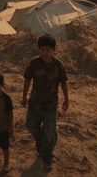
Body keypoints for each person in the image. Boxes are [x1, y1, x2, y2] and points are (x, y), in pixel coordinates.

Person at [22, 34, 69, 172]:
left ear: (53, 50)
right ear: (39, 50)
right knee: (31, 126)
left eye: (48, 50)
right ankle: (42, 141)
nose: (45, 53)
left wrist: (67, 99)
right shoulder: (34, 63)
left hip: (51, 105)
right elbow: (27, 79)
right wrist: (24, 96)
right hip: (35, 103)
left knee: (48, 133)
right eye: (42, 49)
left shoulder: (58, 65)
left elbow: (63, 82)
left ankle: (47, 157)